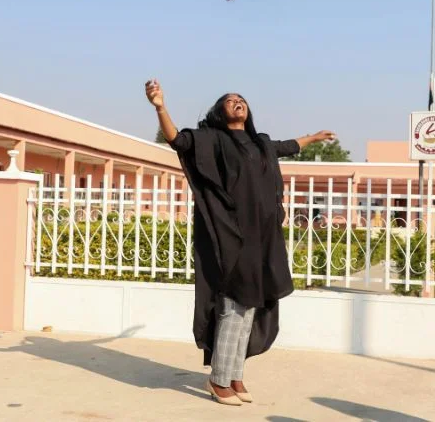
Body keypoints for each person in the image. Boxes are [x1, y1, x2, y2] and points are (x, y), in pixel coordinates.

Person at [144, 79, 336, 406]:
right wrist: (161, 106)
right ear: (220, 111)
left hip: (261, 236)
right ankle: (219, 379)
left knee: (250, 307)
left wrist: (314, 137)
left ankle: (234, 373)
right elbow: (177, 140)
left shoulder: (259, 143)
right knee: (234, 305)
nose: (237, 101)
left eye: (241, 99)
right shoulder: (213, 139)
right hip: (232, 234)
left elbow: (288, 145)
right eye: (230, 100)